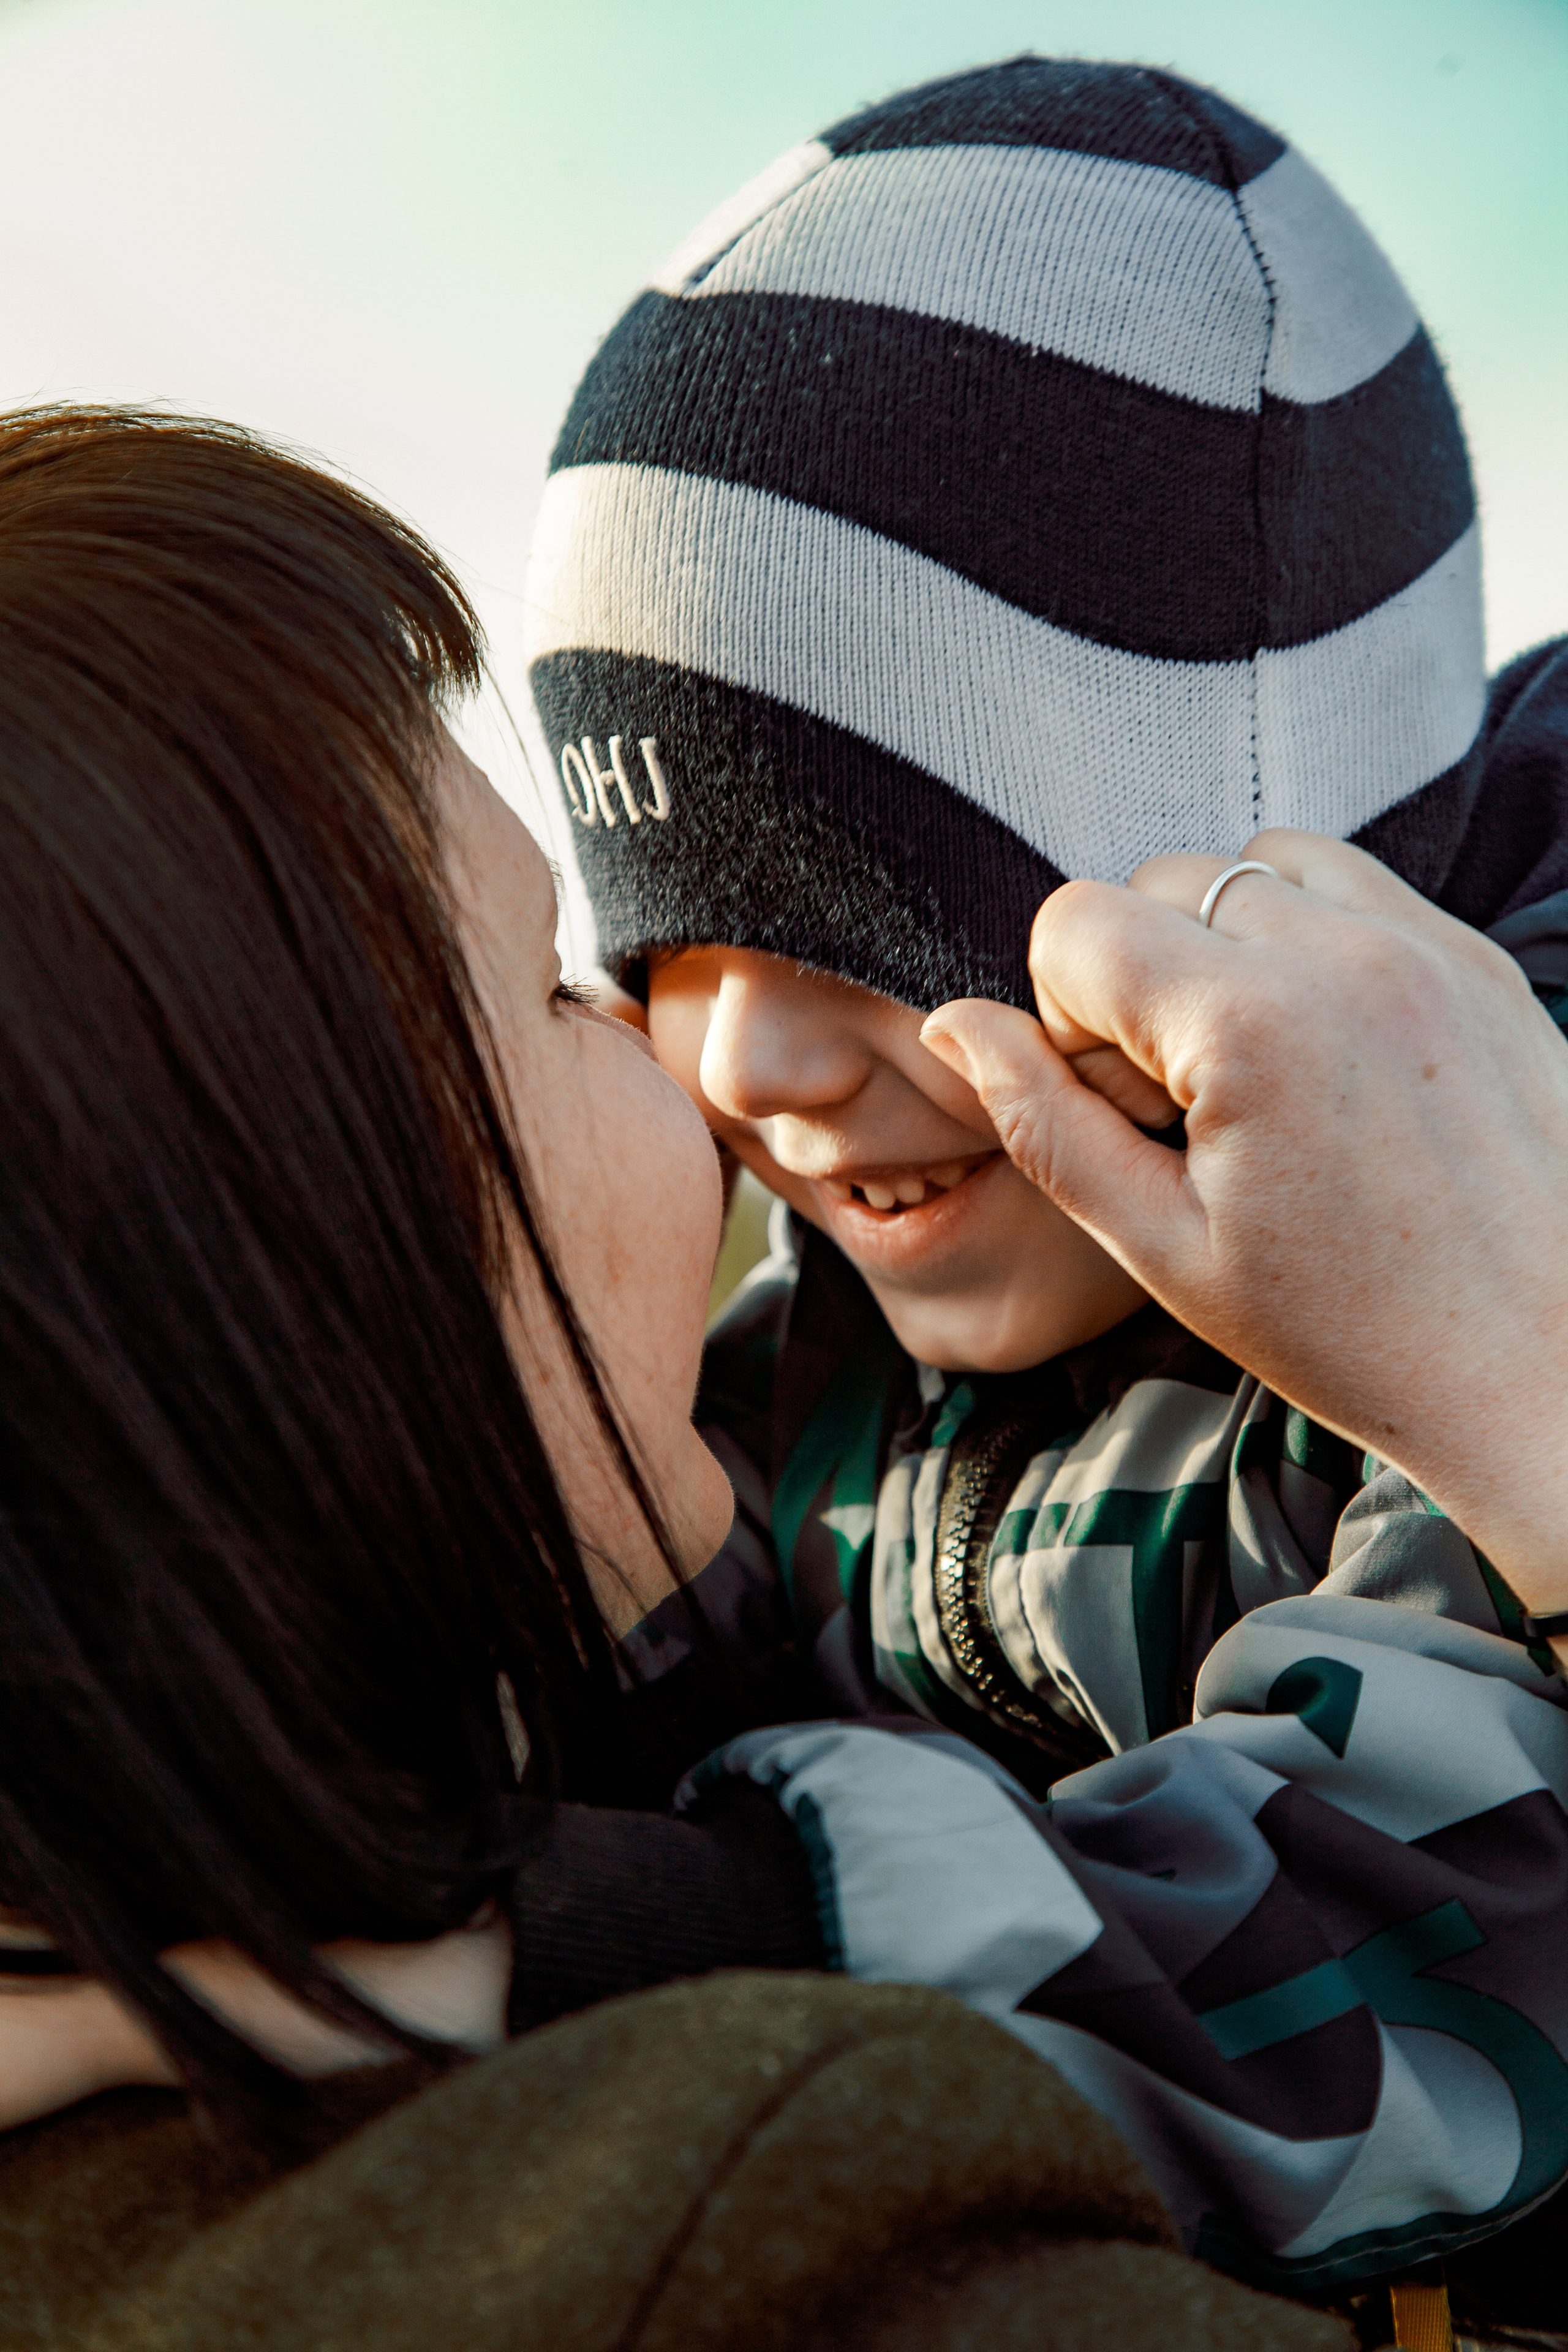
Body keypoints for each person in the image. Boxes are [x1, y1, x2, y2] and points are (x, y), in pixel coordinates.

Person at [522, 52, 1568, 2304]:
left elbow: (1397, 1974)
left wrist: (560, 1955)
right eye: (663, 936)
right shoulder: (818, 1347)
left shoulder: (1509, 1275)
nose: (752, 1063)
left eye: (874, 908)